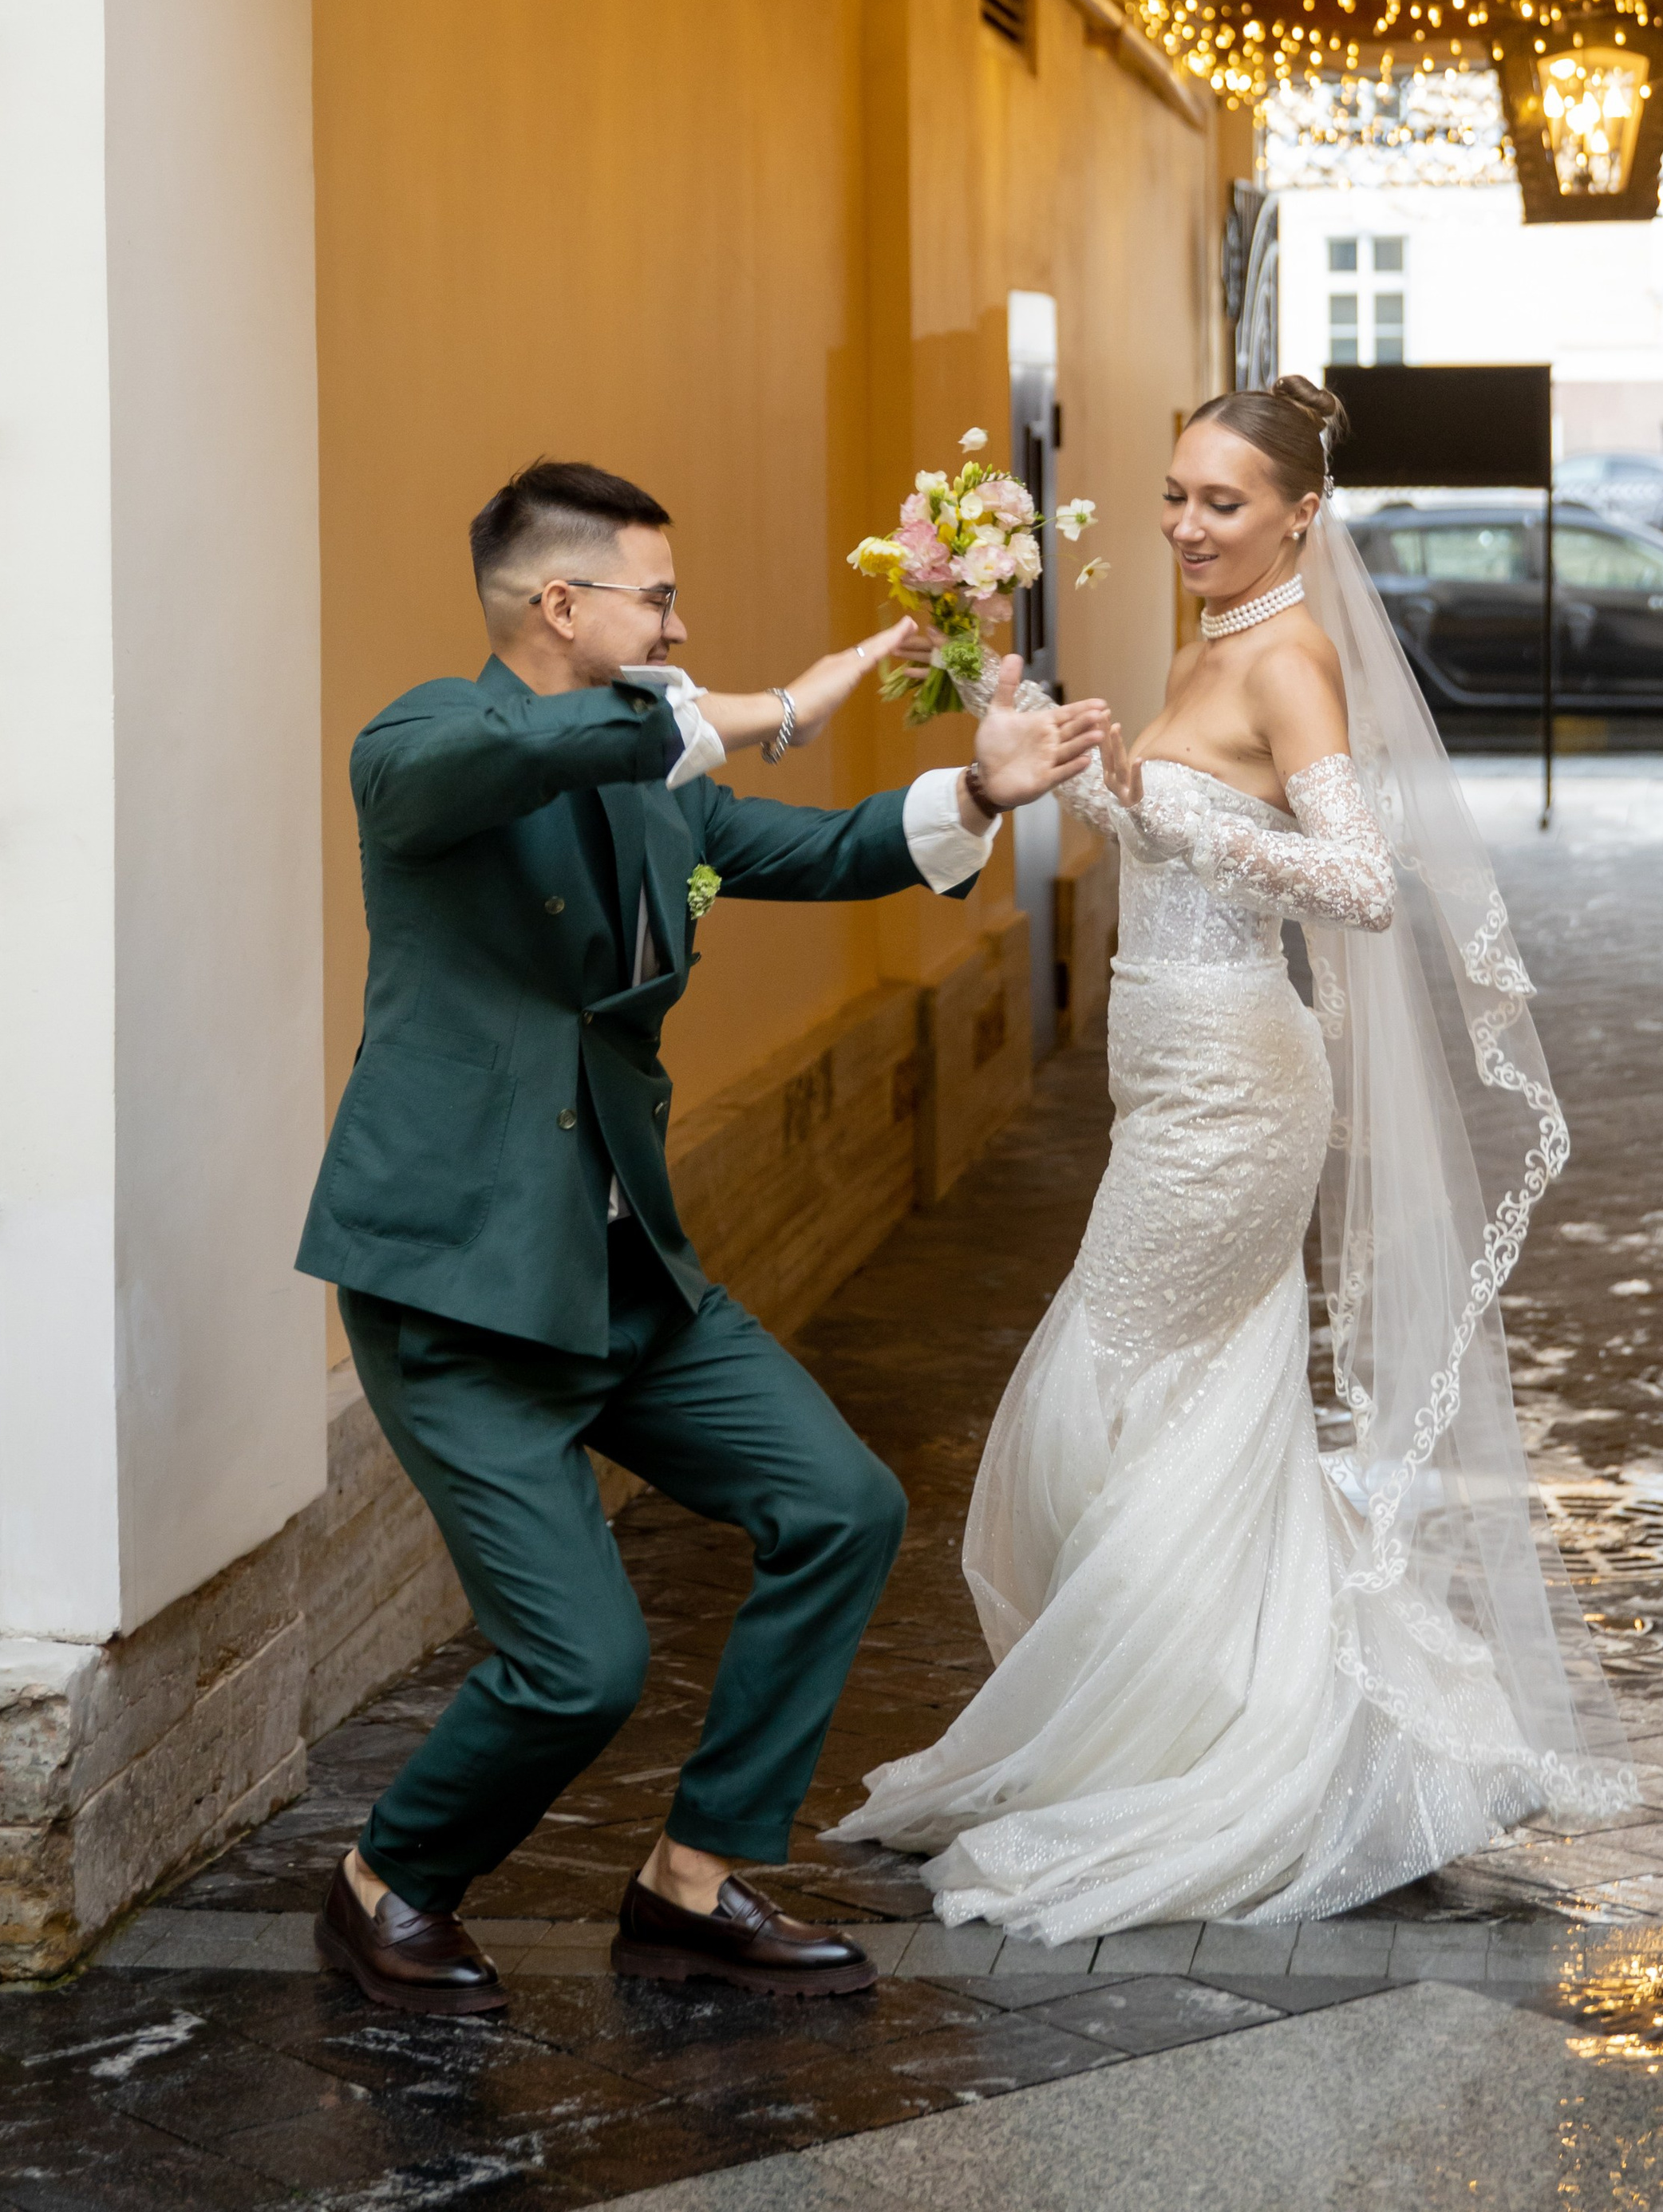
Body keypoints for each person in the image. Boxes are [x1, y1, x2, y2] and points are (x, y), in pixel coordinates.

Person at [298, 458, 1108, 2013]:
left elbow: (805, 851)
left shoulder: (652, 781)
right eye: (656, 597)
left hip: (626, 1277)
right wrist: (760, 704)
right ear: (560, 604)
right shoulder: (419, 742)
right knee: (579, 1665)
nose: (680, 622)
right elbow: (499, 761)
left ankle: (692, 1877)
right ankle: (387, 1880)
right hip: (460, 1293)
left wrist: (984, 791)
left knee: (842, 1506)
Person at [834, 381, 1634, 1942]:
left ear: (1296, 519)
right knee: (1175, 1402)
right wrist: (1069, 756)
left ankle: (1203, 1744)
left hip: (1233, 1089)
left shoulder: (1289, 655)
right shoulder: (1205, 641)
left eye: (1218, 503)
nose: (1182, 525)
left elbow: (1354, 882)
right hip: (1163, 1067)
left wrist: (1175, 822)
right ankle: (1232, 1711)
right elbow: (1159, 830)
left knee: (1107, 1386)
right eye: (1172, 495)